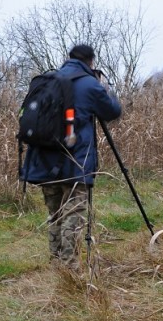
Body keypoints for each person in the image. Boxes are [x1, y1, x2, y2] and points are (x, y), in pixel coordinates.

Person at [20, 44, 122, 270]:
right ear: (91, 61)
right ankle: (70, 267)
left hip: (44, 161)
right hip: (75, 162)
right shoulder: (89, 84)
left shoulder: (49, 80)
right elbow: (113, 111)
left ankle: (55, 262)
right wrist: (105, 88)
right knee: (73, 214)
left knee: (54, 213)